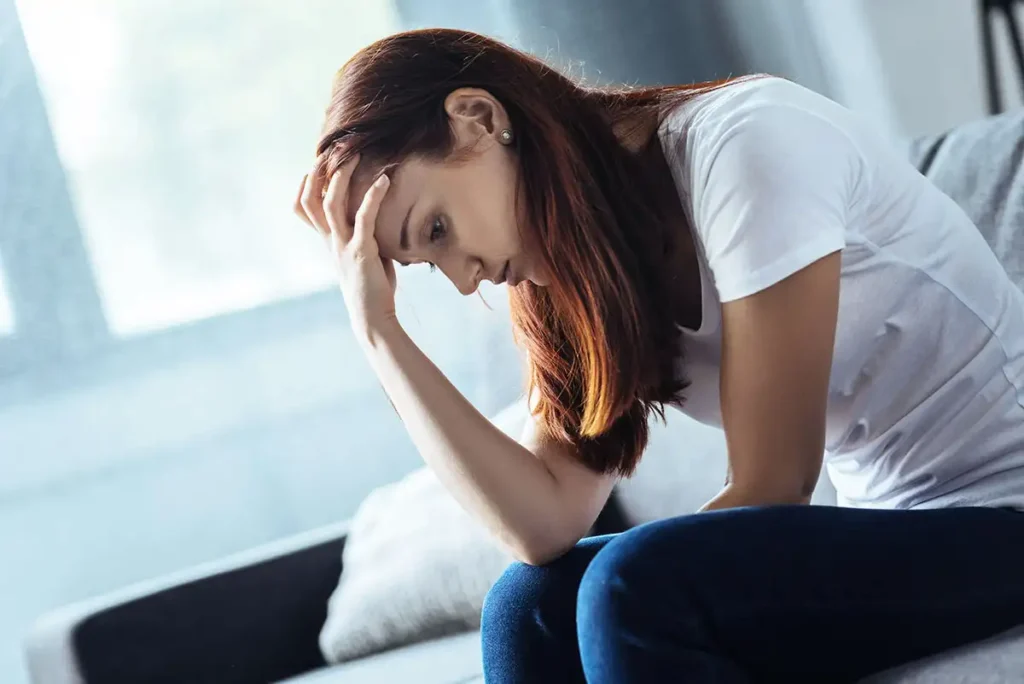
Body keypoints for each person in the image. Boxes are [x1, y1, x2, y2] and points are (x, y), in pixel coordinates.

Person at [293, 28, 1024, 684]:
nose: (462, 278)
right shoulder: (576, 271)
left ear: (480, 119)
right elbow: (541, 527)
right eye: (424, 264)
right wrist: (378, 330)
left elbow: (773, 485)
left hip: (1006, 512)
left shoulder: (747, 143)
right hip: (903, 529)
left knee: (630, 588)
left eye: (439, 228)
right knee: (527, 604)